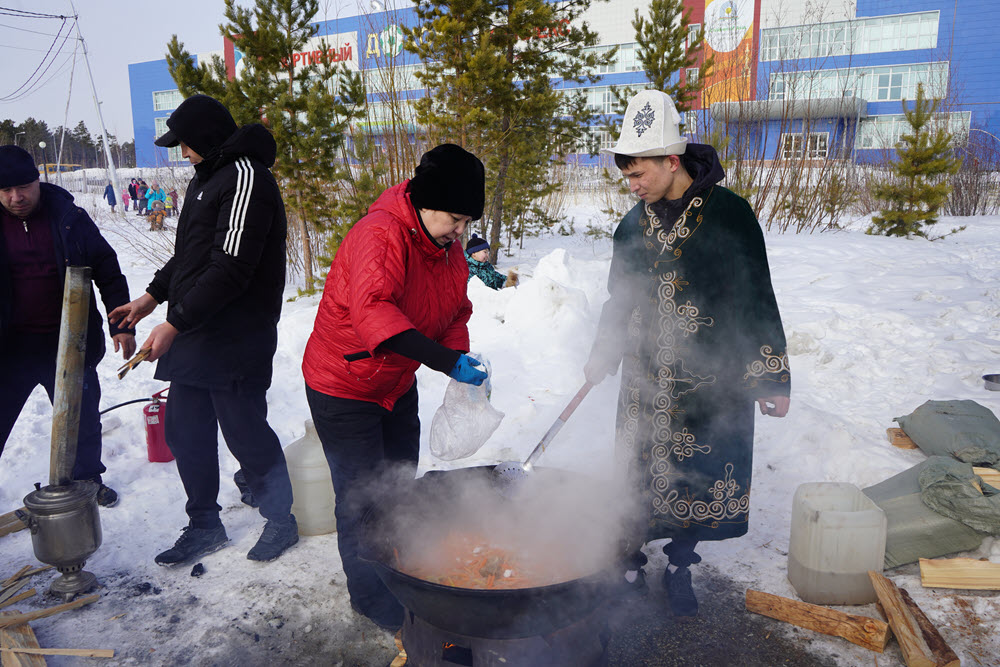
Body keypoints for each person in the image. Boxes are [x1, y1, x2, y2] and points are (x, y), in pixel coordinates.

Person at [583, 90, 790, 617]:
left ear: (671, 161)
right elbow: (619, 296)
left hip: (710, 380)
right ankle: (627, 560)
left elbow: (755, 294)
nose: (631, 186)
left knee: (696, 470)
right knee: (634, 474)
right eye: (627, 176)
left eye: (638, 174)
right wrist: (604, 351)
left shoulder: (730, 215)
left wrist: (771, 376)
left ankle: (680, 563)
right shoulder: (633, 224)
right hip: (644, 379)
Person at [301, 143, 489, 631]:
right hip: (343, 386)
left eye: (467, 221)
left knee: (400, 485)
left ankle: (406, 574)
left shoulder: (446, 250)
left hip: (395, 381)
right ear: (425, 204)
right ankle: (371, 598)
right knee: (362, 499)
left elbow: (454, 312)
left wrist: (459, 356)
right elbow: (374, 314)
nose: (461, 232)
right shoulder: (379, 235)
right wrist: (445, 360)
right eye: (454, 218)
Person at [109, 94, 297, 566]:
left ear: (208, 138)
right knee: (185, 428)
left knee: (244, 430)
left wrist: (173, 322)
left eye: (186, 144)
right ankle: (204, 524)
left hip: (237, 331)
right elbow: (190, 256)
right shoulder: (206, 179)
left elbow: (231, 267)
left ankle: (281, 517)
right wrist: (151, 297)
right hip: (198, 324)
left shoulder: (247, 178)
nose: (183, 153)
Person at [0, 145, 135, 507]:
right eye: (5, 191)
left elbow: (106, 265)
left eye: (23, 188)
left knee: (82, 416)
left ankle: (88, 480)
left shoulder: (68, 217)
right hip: (9, 347)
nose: (15, 198)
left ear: (37, 181)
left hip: (67, 341)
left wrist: (122, 324)